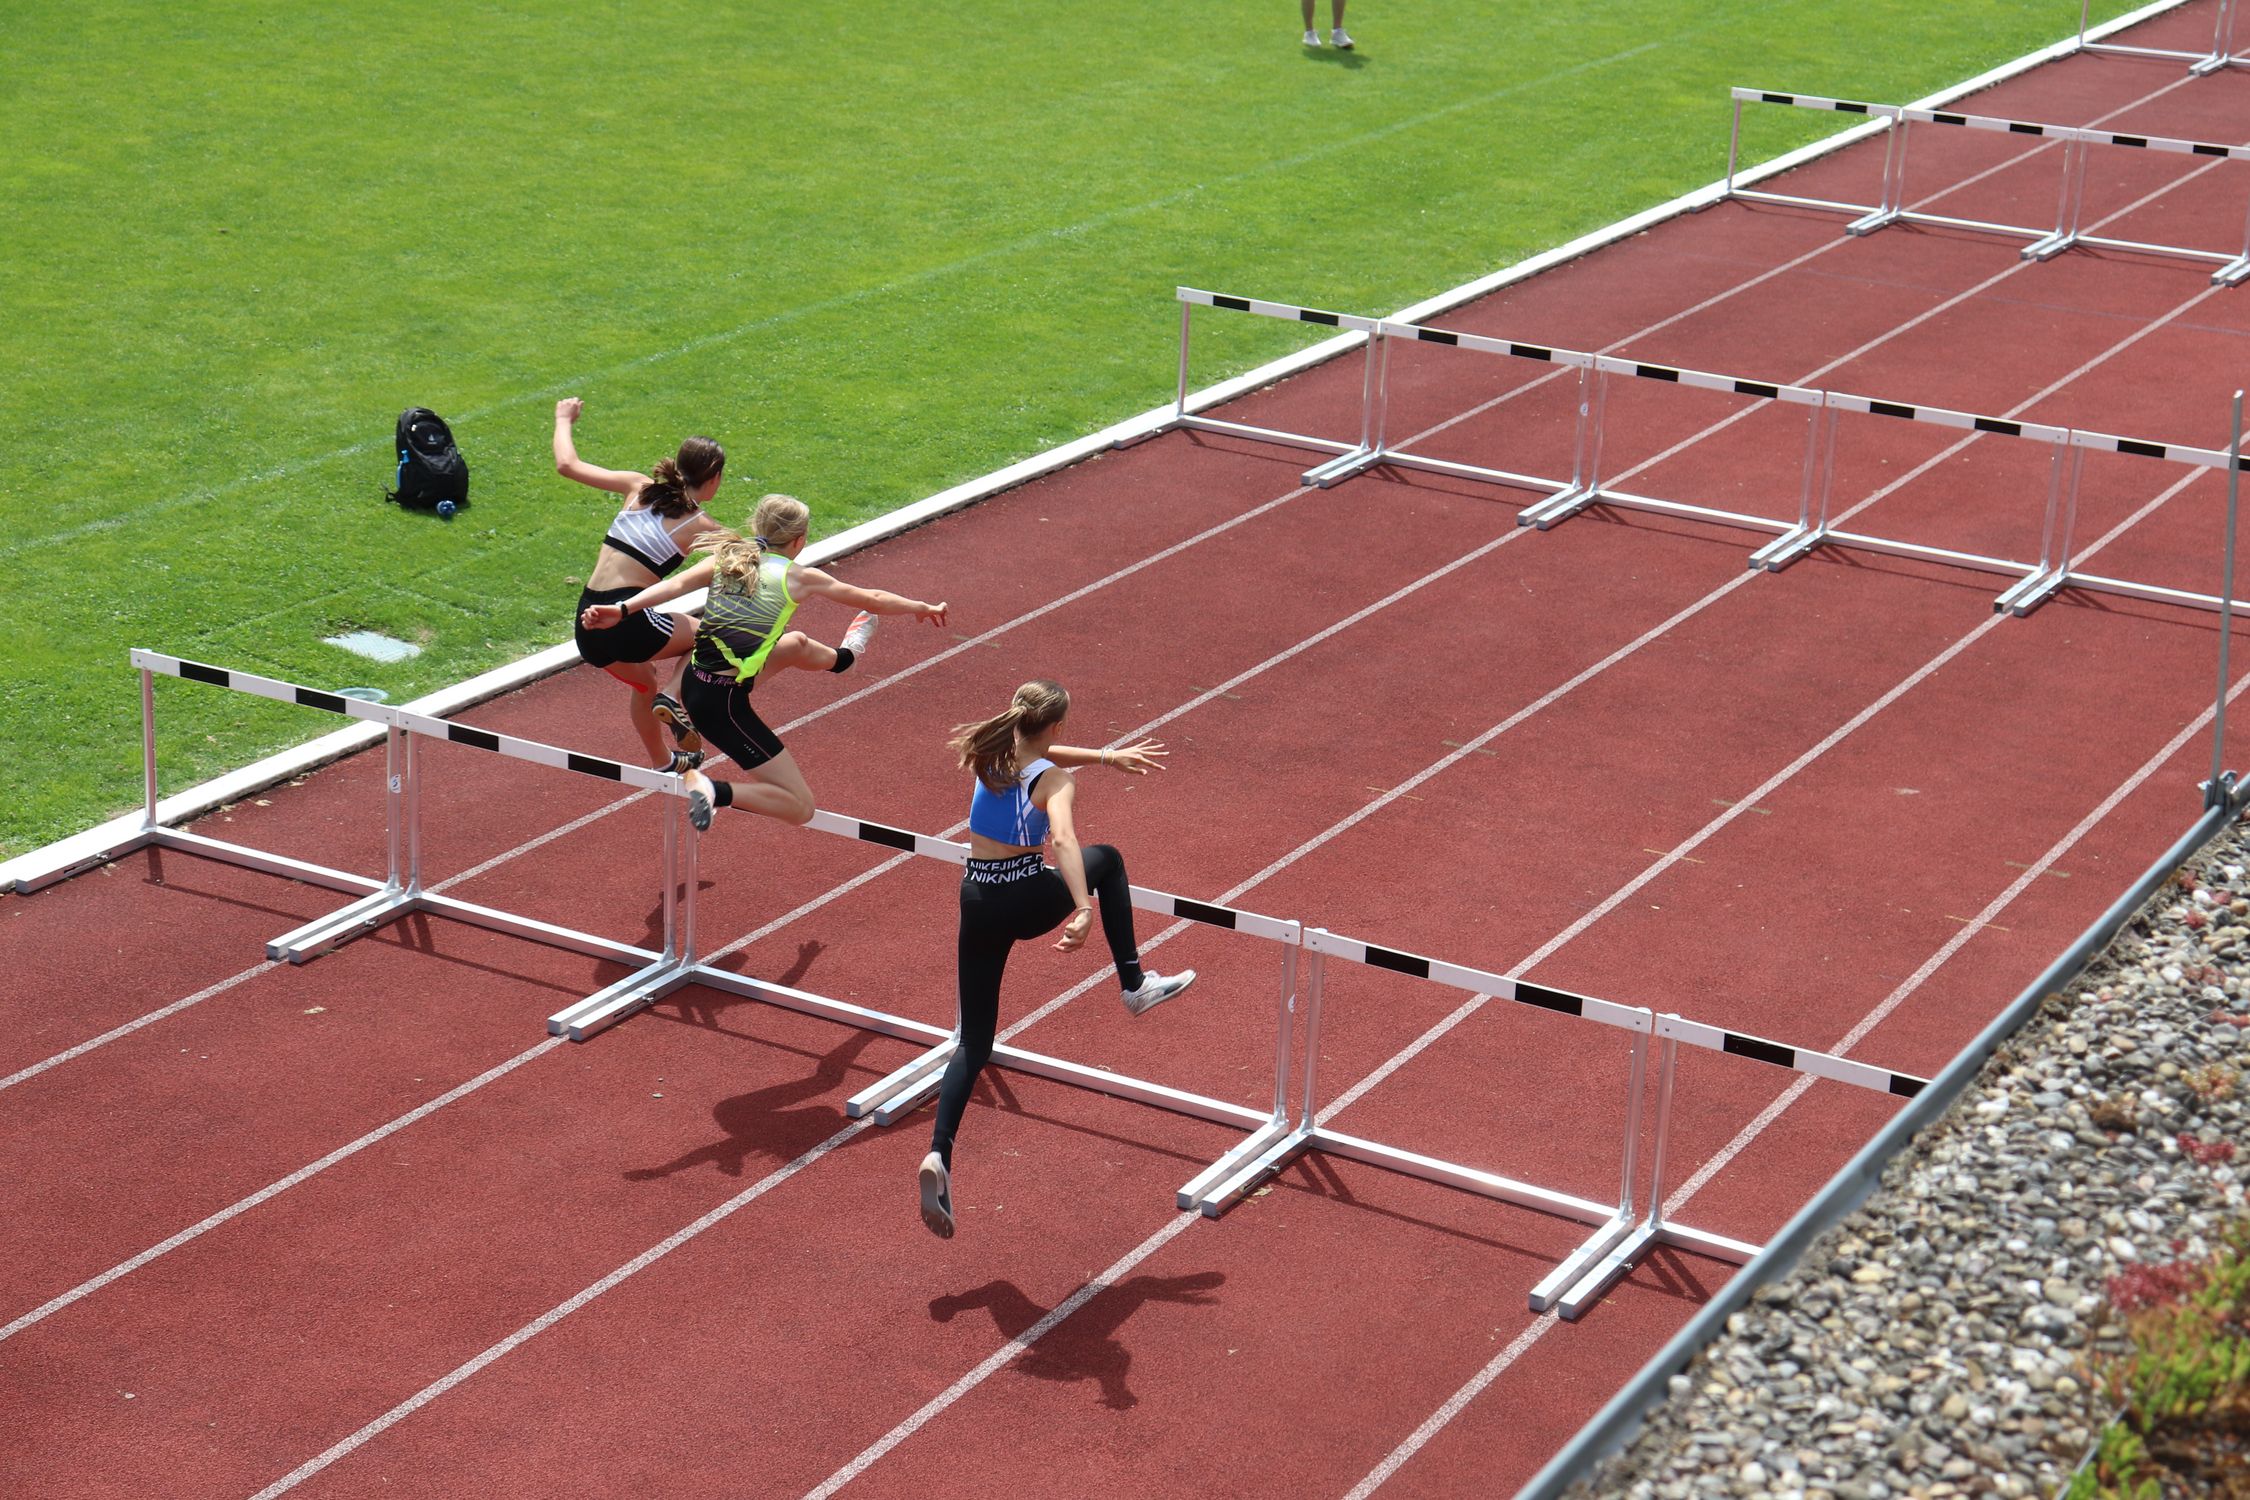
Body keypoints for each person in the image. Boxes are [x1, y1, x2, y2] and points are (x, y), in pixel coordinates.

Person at [917, 680, 1193, 1239]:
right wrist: (1080, 906)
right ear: (1058, 726)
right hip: (1026, 898)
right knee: (1109, 861)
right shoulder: (1055, 781)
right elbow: (1065, 841)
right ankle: (1134, 983)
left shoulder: (989, 751)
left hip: (977, 899)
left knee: (975, 1041)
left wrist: (1106, 756)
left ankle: (939, 1155)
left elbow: (1038, 755)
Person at [578, 493, 947, 829]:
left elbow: (674, 587)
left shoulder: (728, 560)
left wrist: (621, 608)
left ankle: (846, 657)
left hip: (696, 679)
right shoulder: (800, 578)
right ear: (800, 541)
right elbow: (875, 597)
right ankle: (711, 789)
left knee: (795, 644)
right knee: (800, 806)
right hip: (720, 703)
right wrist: (921, 607)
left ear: (759, 528)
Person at [554, 397, 721, 773]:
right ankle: (673, 696)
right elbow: (743, 560)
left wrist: (563, 418)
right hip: (624, 619)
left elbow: (567, 465)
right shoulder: (702, 527)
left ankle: (662, 762)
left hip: (587, 622)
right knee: (710, 637)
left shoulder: (637, 486)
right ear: (714, 480)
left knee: (642, 680)